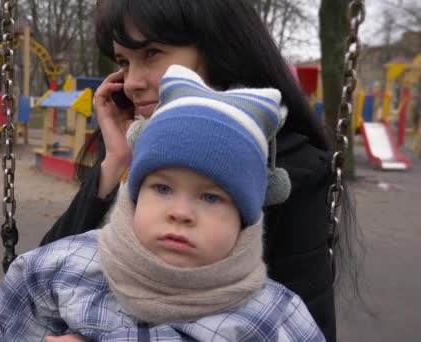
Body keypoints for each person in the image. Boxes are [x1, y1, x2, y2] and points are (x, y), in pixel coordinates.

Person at [39, 1, 362, 341]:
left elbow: (299, 330)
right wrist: (114, 162)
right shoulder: (139, 146)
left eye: (152, 53)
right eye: (122, 61)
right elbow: (49, 270)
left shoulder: (291, 171)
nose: (131, 82)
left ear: (217, 49)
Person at [0, 65, 325, 341]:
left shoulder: (273, 320)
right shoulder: (58, 270)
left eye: (210, 197)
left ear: (246, 217)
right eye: (161, 188)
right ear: (135, 192)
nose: (180, 212)